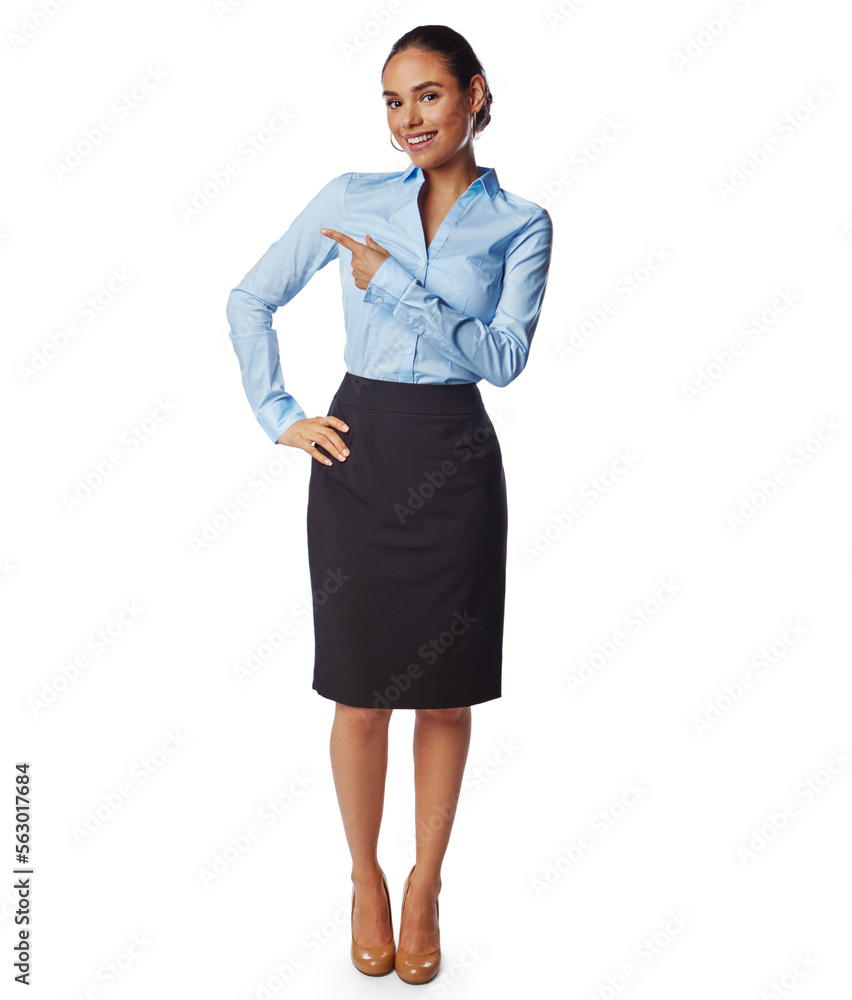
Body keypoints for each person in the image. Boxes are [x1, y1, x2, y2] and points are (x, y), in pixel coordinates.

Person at [225, 24, 553, 984]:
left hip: (454, 457)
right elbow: (249, 299)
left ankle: (425, 884)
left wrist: (397, 287)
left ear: (475, 95)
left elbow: (503, 359)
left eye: (428, 96)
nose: (408, 119)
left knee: (446, 698)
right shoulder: (350, 199)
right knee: (360, 697)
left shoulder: (522, 224)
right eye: (392, 100)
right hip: (361, 451)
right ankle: (365, 878)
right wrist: (281, 414)